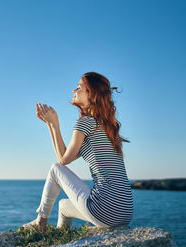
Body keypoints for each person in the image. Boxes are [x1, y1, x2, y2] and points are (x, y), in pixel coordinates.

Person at [21, 72, 133, 232]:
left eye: (79, 87)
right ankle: (59, 239)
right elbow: (66, 156)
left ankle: (40, 222)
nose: (74, 90)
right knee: (63, 206)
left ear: (91, 94)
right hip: (124, 213)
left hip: (104, 209)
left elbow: (62, 161)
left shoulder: (86, 122)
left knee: (55, 169)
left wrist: (55, 124)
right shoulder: (107, 126)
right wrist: (50, 125)